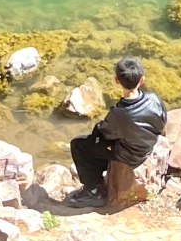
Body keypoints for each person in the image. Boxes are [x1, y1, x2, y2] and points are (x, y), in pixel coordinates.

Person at [67, 55, 167, 208]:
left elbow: (105, 133)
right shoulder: (154, 98)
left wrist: (98, 131)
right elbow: (162, 121)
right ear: (142, 80)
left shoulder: (120, 113)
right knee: (99, 143)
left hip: (129, 155)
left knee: (79, 145)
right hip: (148, 145)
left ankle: (93, 192)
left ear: (116, 80)